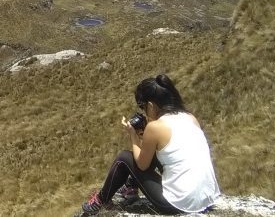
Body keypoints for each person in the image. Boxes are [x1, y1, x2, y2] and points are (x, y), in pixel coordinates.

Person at [81, 74, 221, 215]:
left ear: (151, 105)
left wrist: (133, 136)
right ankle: (131, 187)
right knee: (155, 151)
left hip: (177, 205)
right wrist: (145, 136)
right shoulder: (190, 118)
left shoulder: (155, 127)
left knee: (123, 158)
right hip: (206, 199)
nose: (144, 111)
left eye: (143, 107)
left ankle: (100, 200)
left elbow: (142, 164)